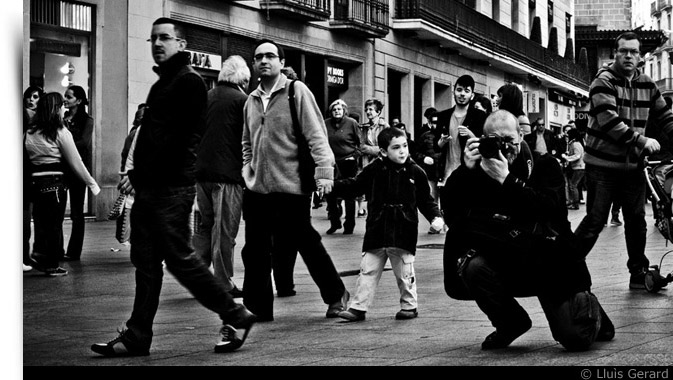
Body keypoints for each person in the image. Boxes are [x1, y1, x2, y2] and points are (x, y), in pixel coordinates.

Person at [91, 17, 256, 357]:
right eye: (153, 38)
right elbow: (151, 136)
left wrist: (140, 174)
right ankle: (138, 334)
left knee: (181, 260)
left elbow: (178, 139)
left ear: (181, 44)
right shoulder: (163, 84)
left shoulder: (189, 82)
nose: (157, 43)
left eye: (165, 37)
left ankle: (235, 314)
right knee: (147, 262)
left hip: (171, 188)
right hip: (153, 187)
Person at [441, 110, 614, 351]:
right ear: (483, 140)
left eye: (509, 141)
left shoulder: (546, 166)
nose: (504, 148)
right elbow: (452, 215)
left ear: (521, 135)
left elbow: (553, 211)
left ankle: (590, 310)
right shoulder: (475, 170)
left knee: (576, 338)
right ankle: (510, 323)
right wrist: (463, 172)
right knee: (473, 267)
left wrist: (507, 179)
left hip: (546, 263)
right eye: (495, 141)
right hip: (502, 261)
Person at [241, 39, 349, 322]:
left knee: (306, 242)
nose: (264, 61)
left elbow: (316, 136)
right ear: (253, 64)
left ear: (281, 62)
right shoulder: (250, 100)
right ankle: (256, 308)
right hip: (258, 190)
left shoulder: (295, 91)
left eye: (270, 56)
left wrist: (325, 174)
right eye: (258, 57)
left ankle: (336, 295)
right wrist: (247, 171)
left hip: (291, 186)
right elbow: (246, 143)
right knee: (255, 250)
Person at [573, 32, 673, 290]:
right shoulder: (603, 81)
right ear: (614, 54)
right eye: (623, 51)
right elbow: (609, 122)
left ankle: (638, 273)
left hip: (633, 167)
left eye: (634, 52)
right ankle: (566, 266)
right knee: (595, 220)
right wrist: (642, 141)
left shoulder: (648, 84)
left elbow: (665, 117)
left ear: (640, 57)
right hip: (602, 166)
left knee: (637, 221)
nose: (629, 56)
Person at [333, 127, 444, 322]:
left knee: (404, 272)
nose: (402, 151)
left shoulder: (415, 172)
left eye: (405, 146)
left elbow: (425, 200)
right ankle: (358, 307)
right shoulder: (374, 169)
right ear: (383, 151)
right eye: (396, 147)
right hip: (377, 229)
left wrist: (435, 217)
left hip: (403, 230)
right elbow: (355, 186)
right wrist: (332, 187)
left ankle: (409, 305)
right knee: (367, 270)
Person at [24, 92, 100, 276]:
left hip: (36, 182)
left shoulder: (30, 132)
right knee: (54, 225)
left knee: (41, 221)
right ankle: (50, 264)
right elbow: (76, 161)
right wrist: (92, 184)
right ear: (55, 109)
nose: (63, 109)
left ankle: (40, 254)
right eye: (61, 106)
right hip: (55, 182)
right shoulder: (60, 132)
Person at [193, 55, 250, 299]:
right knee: (224, 230)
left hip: (201, 173)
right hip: (228, 175)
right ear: (243, 80)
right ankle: (223, 282)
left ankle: (197, 278)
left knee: (206, 226)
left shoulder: (206, 98)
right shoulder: (243, 101)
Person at [435, 74, 487, 198]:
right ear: (453, 92)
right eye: (459, 90)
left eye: (466, 91)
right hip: (446, 175)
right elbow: (436, 147)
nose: (462, 94)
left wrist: (471, 135)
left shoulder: (479, 116)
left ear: (472, 95)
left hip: (470, 175)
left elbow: (484, 145)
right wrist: (442, 141)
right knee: (447, 213)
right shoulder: (443, 116)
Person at [62, 85, 94, 261]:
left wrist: (66, 138)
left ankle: (74, 252)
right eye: (65, 96)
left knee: (76, 212)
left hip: (78, 170)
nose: (65, 99)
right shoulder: (63, 118)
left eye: (69, 97)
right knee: (59, 212)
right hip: (62, 168)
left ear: (79, 101)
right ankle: (57, 249)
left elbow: (84, 143)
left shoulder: (87, 120)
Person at [324, 99, 361, 235]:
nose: (337, 112)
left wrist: (355, 156)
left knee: (349, 195)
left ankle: (349, 225)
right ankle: (335, 222)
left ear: (344, 111)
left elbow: (360, 143)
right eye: (334, 109)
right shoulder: (326, 123)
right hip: (332, 162)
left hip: (348, 162)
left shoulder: (352, 123)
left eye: (339, 109)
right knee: (330, 193)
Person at [23, 85, 44, 272]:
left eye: (35, 97)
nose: (31, 100)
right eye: (29, 96)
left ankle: (27, 255)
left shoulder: (39, 121)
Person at [357, 98, 389, 217]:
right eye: (367, 109)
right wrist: (375, 149)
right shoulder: (363, 127)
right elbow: (360, 146)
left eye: (371, 109)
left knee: (380, 192)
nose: (368, 112)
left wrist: (368, 149)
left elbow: (386, 147)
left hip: (381, 163)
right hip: (366, 163)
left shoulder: (384, 126)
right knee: (369, 192)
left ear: (378, 111)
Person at [415, 110, 442, 232]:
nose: (436, 125)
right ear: (430, 123)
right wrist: (424, 158)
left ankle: (445, 224)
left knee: (446, 200)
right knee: (432, 199)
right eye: (434, 122)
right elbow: (416, 152)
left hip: (444, 171)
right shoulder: (425, 136)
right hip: (431, 172)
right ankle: (436, 224)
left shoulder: (445, 136)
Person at [562, 128, 585, 210]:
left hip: (578, 167)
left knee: (573, 185)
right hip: (579, 167)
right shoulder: (577, 144)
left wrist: (567, 157)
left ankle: (575, 204)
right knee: (574, 185)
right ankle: (575, 203)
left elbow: (577, 156)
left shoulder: (575, 144)